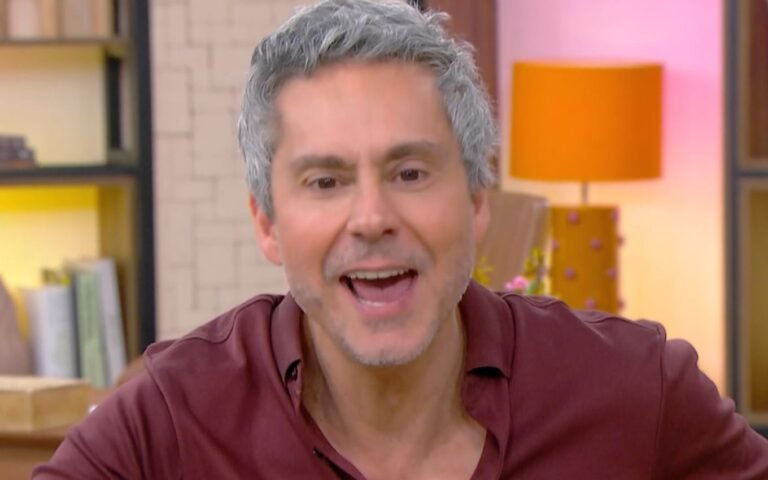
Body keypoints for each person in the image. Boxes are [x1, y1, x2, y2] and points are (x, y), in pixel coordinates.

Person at [34, 0, 768, 478]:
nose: (371, 216)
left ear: (476, 200)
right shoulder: (173, 420)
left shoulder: (637, 391)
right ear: (267, 223)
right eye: (326, 181)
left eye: (410, 172)